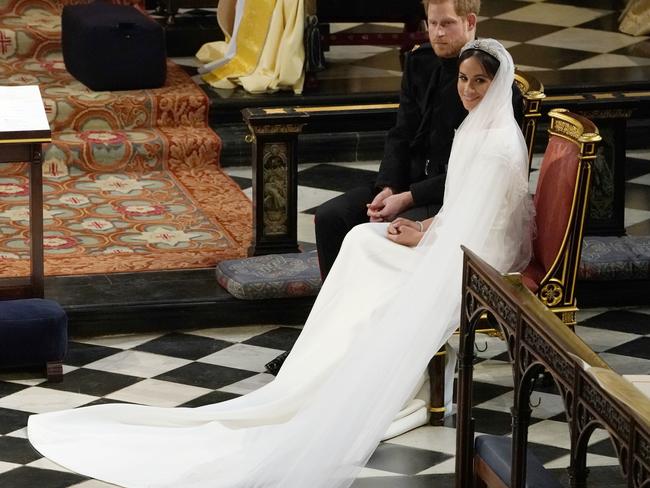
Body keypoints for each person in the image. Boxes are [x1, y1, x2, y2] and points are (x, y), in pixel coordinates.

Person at [27, 39, 534, 488]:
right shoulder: (478, 126)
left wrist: (421, 237)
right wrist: (421, 229)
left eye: (479, 81)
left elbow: (478, 226)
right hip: (453, 238)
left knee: (367, 249)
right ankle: (319, 368)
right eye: (464, 80)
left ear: (498, 84)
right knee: (360, 240)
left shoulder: (495, 143)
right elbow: (460, 209)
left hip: (475, 259)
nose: (468, 89)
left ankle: (343, 374)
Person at [315, 0, 523, 278]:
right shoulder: (419, 62)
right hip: (405, 182)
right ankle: (335, 307)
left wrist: (408, 198)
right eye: (432, 23)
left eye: (447, 23)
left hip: (446, 196)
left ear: (470, 22)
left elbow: (476, 177)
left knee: (378, 239)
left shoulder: (495, 88)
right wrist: (389, 187)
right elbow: (401, 132)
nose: (437, 33)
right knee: (331, 217)